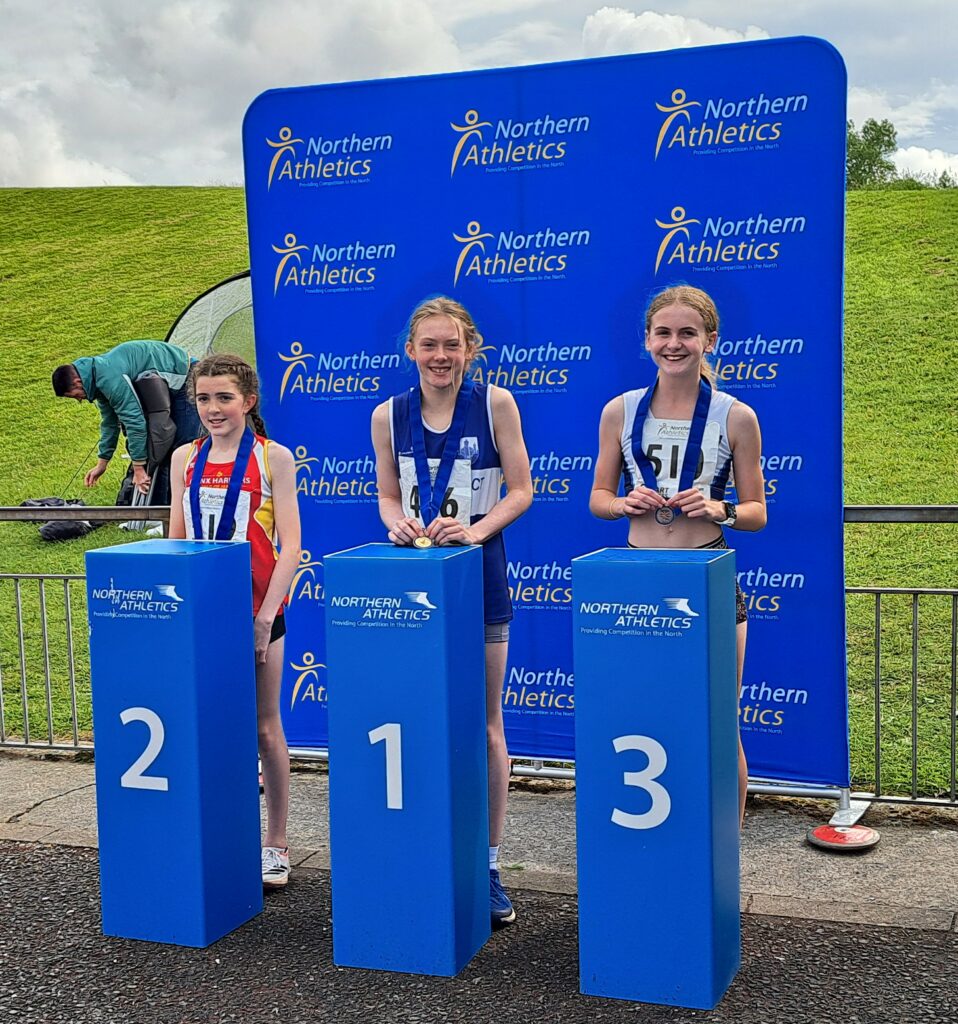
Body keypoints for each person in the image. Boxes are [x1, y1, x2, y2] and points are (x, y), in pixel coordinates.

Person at [371, 296, 534, 926]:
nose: (440, 356)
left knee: (486, 723)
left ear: (470, 349)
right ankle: (419, 852)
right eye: (429, 345)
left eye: (451, 345)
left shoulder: (496, 404)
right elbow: (388, 495)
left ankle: (486, 864)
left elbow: (521, 490)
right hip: (412, 587)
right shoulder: (388, 414)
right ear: (410, 350)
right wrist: (395, 523)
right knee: (413, 718)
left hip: (478, 579)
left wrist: (475, 531)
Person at [588, 285, 767, 827]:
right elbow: (598, 499)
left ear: (709, 340)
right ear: (647, 339)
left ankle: (726, 850)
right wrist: (622, 503)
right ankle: (653, 837)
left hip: (706, 575)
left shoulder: (736, 416)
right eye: (663, 333)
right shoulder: (619, 411)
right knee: (641, 715)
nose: (674, 343)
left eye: (687, 333)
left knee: (718, 720)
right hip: (637, 579)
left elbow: (756, 511)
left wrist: (720, 509)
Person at [167, 353, 302, 889]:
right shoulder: (184, 458)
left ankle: (276, 843)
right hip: (204, 614)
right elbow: (177, 541)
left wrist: (265, 618)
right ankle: (219, 838)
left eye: (224, 397)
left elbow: (292, 546)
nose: (213, 408)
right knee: (207, 724)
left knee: (265, 727)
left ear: (248, 401)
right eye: (203, 399)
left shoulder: (273, 457)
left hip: (257, 611)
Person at [52, 339, 201, 499]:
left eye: (75, 396)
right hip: (166, 384)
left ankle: (187, 502)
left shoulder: (110, 378)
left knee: (183, 448)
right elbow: (109, 425)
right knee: (165, 449)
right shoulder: (99, 380)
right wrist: (102, 463)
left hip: (186, 374)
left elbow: (135, 423)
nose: (79, 400)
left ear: (77, 382)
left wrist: (139, 468)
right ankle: (167, 505)